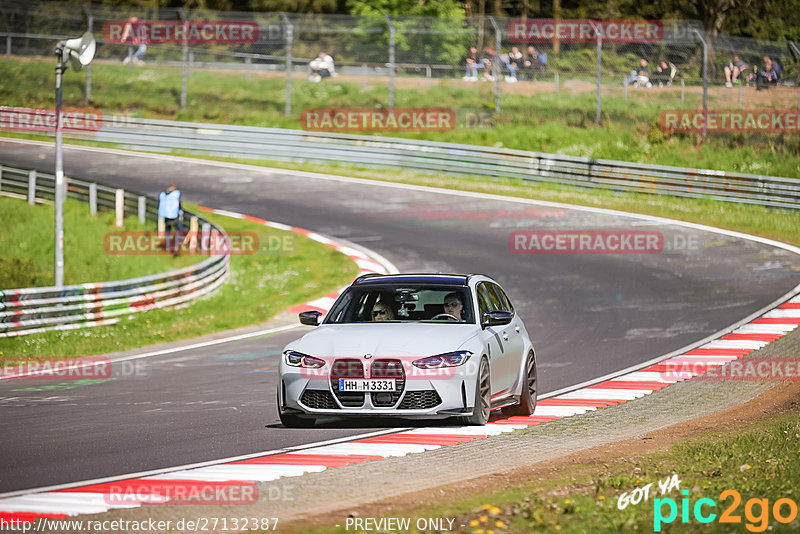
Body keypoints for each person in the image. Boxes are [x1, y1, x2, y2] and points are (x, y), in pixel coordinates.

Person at [158, 184, 183, 254]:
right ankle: (178, 246)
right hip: (175, 216)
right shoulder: (176, 194)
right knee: (179, 230)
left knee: (168, 231)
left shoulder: (164, 194)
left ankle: (168, 246)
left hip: (166, 216)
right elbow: (179, 204)